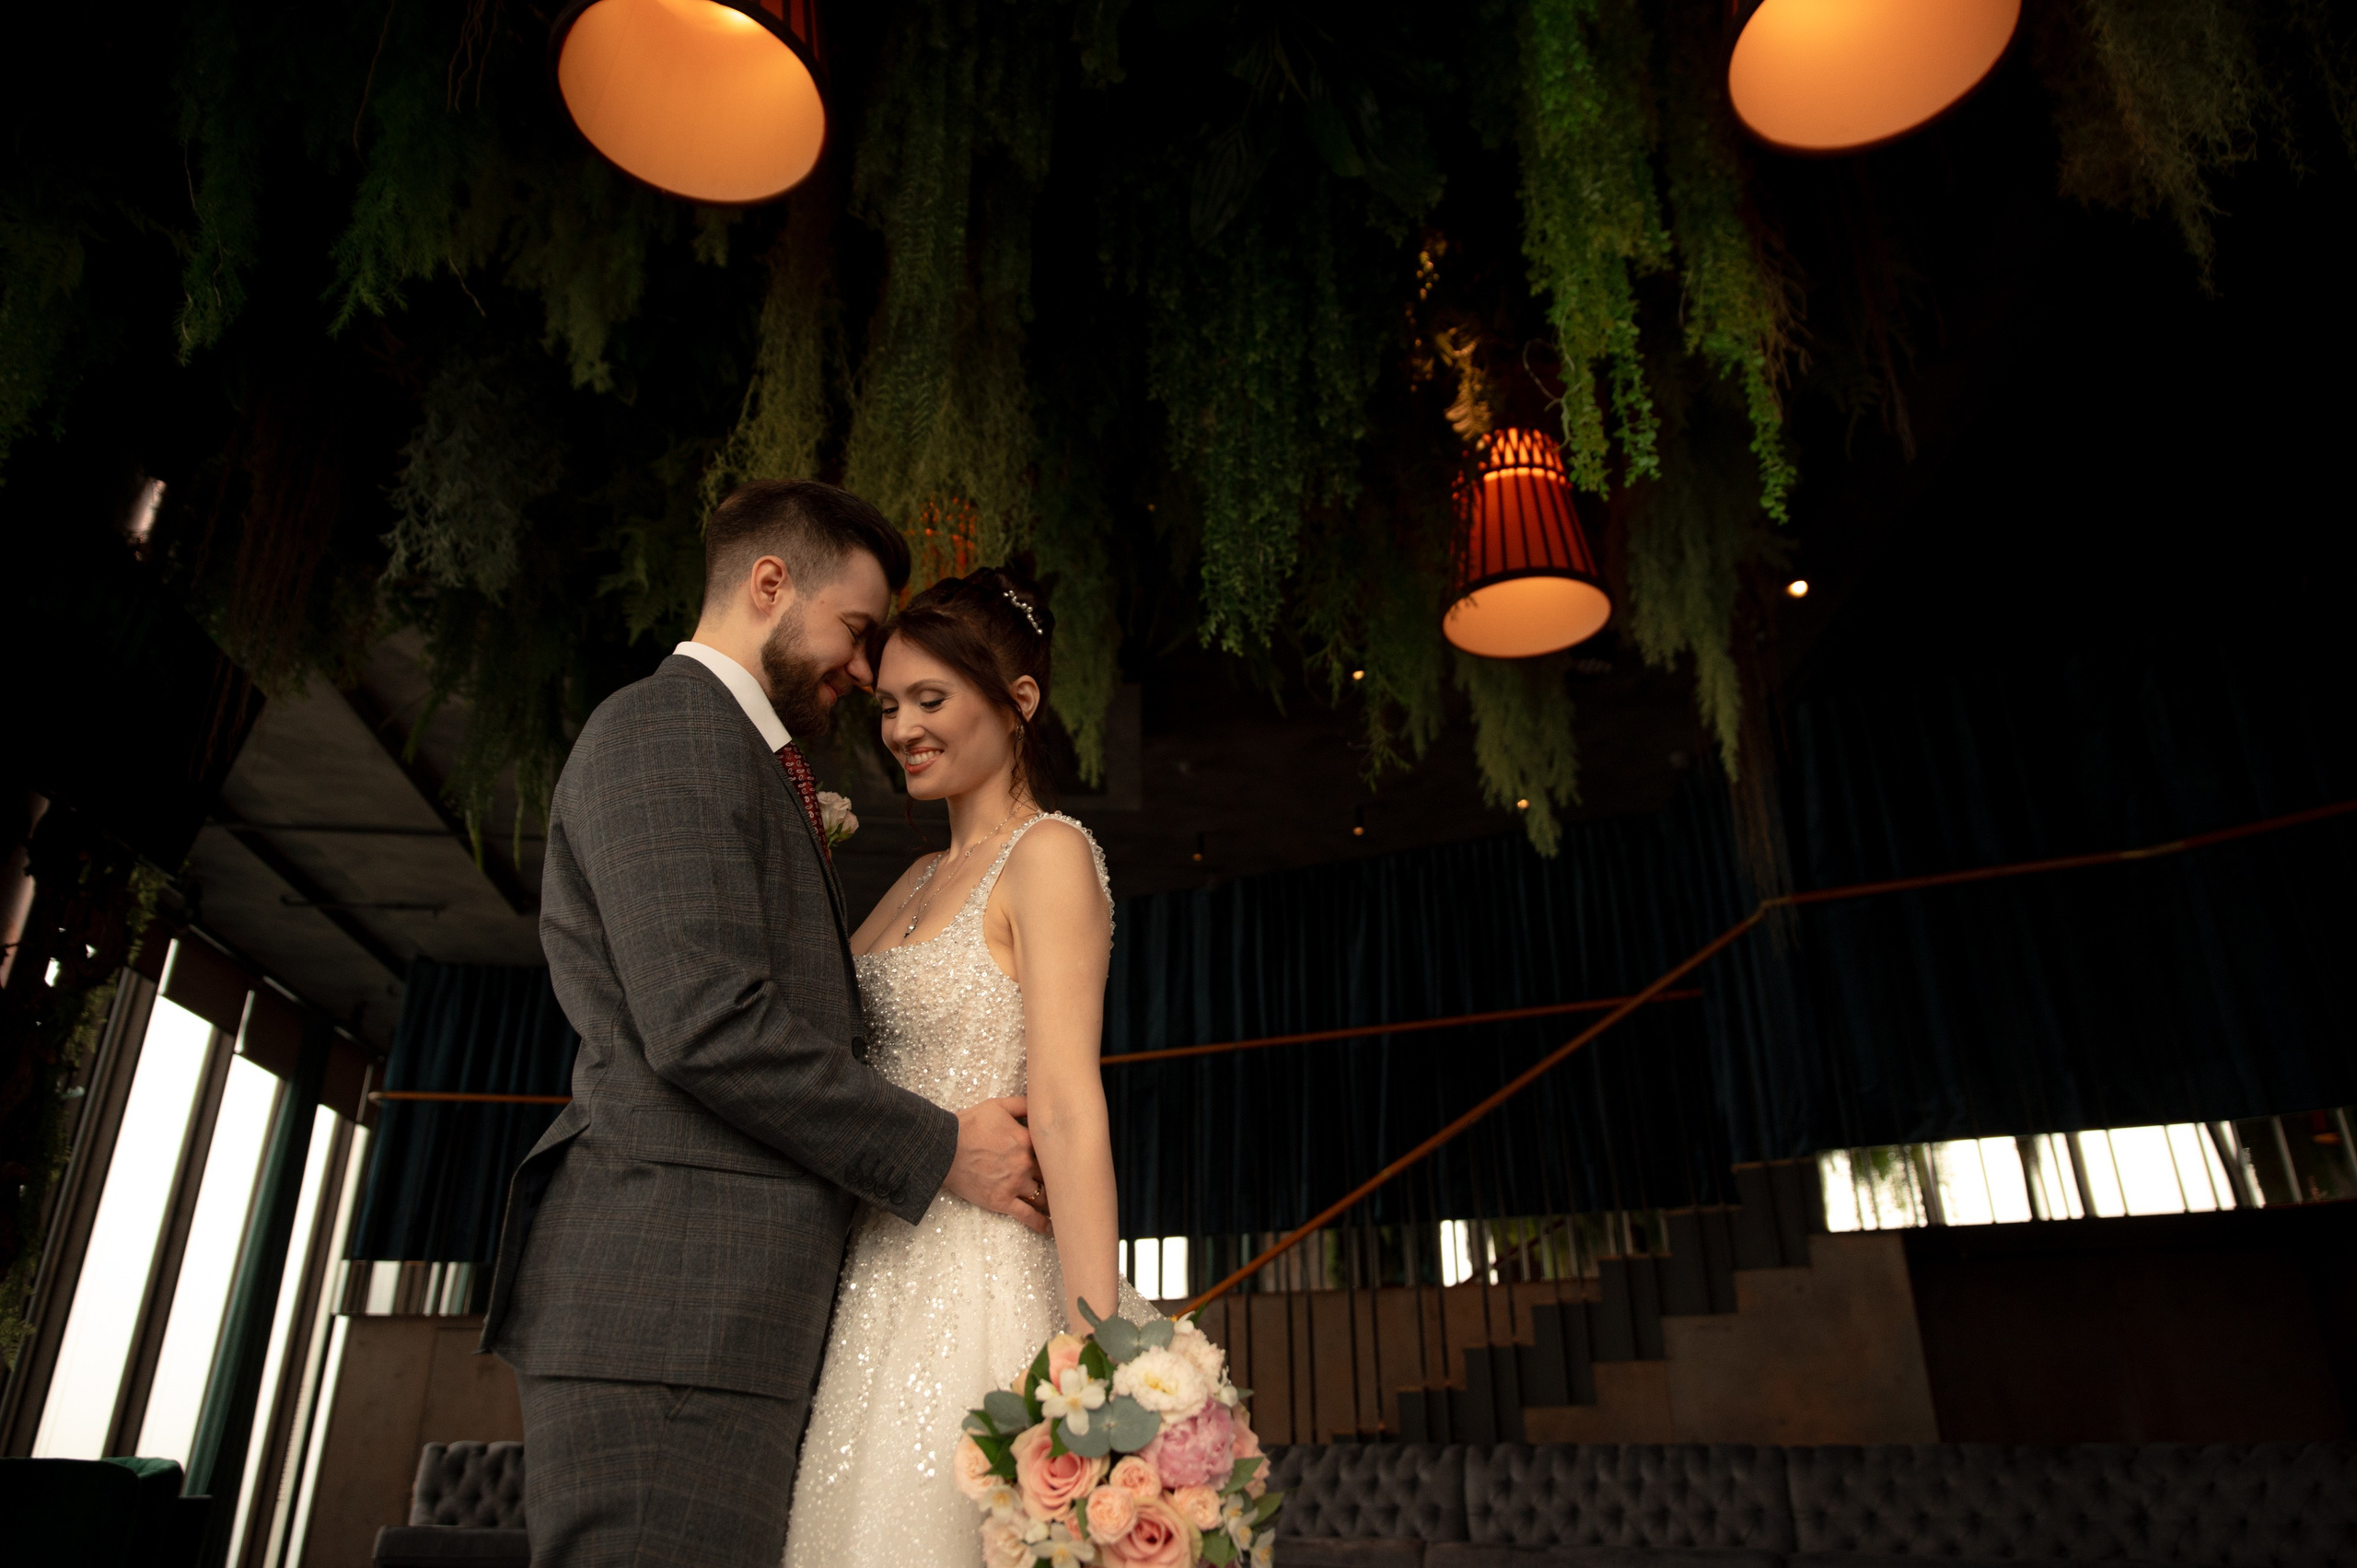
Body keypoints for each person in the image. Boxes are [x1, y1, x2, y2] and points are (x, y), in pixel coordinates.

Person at [479, 482, 1051, 1568]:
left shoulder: (740, 754)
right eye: (857, 630)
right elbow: (704, 1023)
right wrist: (941, 1149)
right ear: (769, 583)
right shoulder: (663, 729)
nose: (866, 669)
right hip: (673, 1313)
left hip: (723, 1317)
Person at [782, 566, 1155, 1565]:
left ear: (1017, 702)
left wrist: (1094, 1352)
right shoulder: (908, 875)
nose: (901, 726)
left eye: (930, 699)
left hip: (981, 1272)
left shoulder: (1049, 854)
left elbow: (1070, 1105)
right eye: (889, 704)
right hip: (876, 1270)